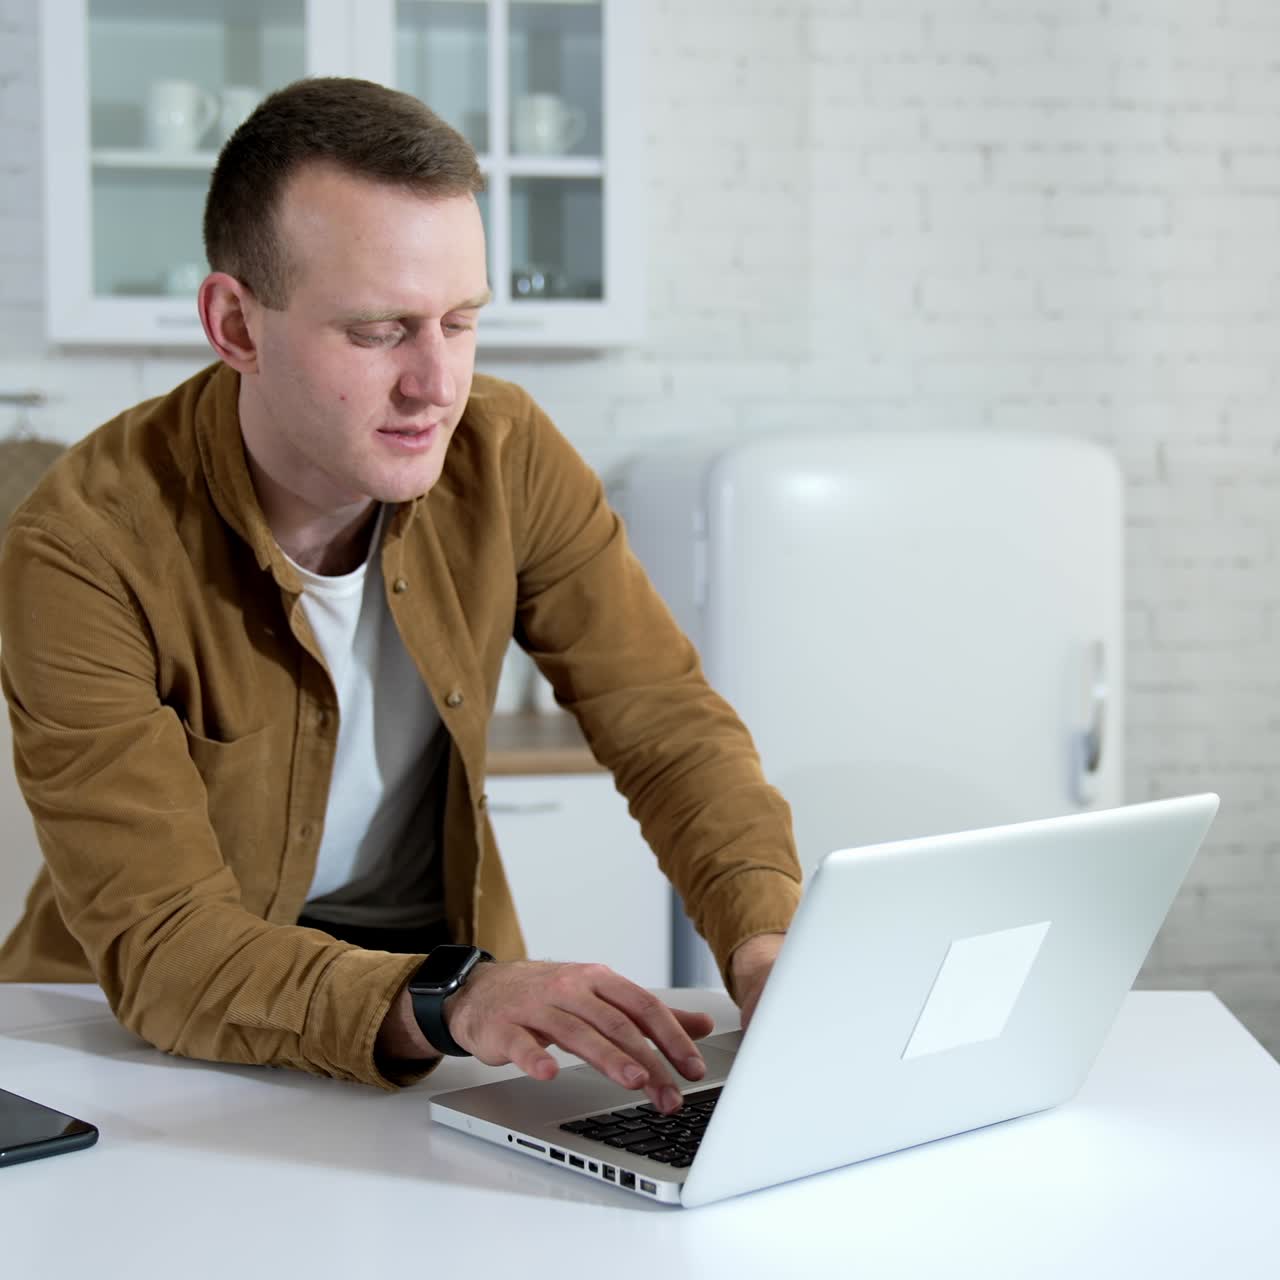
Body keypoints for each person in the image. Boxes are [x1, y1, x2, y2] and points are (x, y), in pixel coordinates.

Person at [0, 78, 800, 1110]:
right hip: (120, 1050)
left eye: (460, 322)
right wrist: (455, 995)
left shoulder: (505, 452)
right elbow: (166, 945)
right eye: (380, 331)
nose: (436, 384)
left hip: (434, 1022)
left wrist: (764, 938)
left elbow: (666, 727)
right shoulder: (81, 544)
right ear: (235, 324)